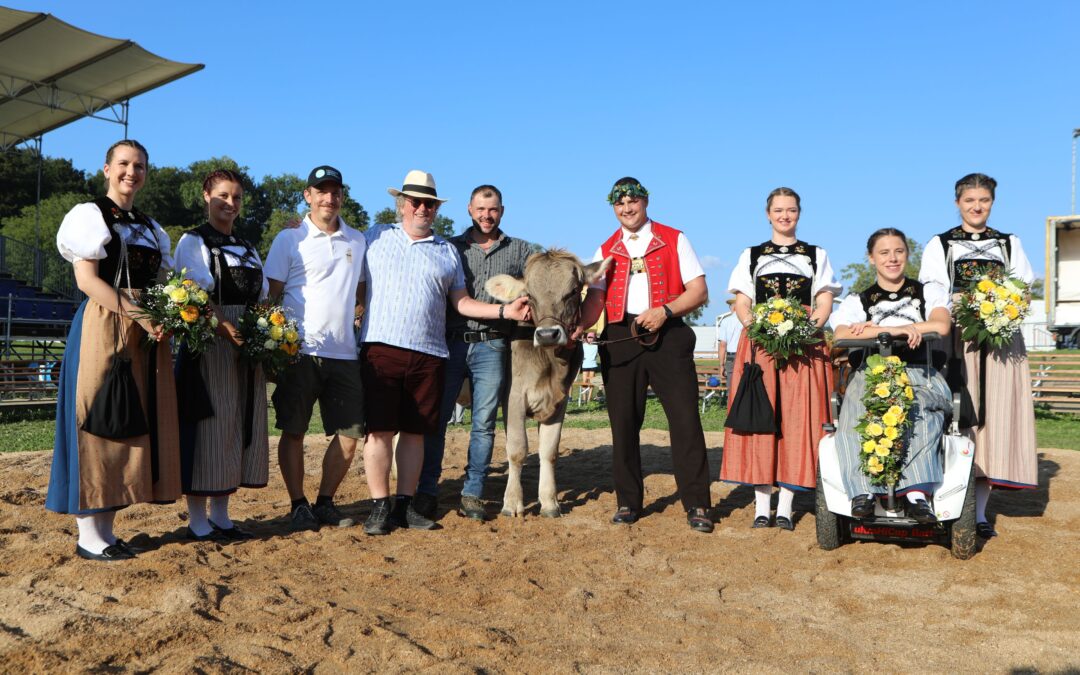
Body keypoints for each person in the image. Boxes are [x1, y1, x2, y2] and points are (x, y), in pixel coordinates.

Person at [359, 170, 529, 535]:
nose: (422, 208)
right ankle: (379, 506)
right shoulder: (374, 236)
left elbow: (463, 302)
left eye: (429, 203)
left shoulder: (447, 251)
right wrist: (304, 225)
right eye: (416, 201)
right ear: (401, 204)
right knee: (380, 432)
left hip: (430, 352)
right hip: (381, 348)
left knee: (418, 432)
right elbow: (340, 257)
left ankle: (407, 505)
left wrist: (505, 311)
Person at [45, 139, 180, 561]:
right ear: (106, 169)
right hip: (104, 325)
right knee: (99, 417)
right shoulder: (89, 215)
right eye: (123, 164)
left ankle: (106, 530)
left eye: (139, 166)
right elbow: (87, 280)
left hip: (142, 331)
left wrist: (167, 315)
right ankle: (88, 533)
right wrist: (139, 314)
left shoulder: (150, 226)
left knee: (127, 422)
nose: (131, 172)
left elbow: (160, 281)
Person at [576, 176, 714, 533]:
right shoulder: (605, 249)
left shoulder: (674, 238)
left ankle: (697, 503)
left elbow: (698, 291)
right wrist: (580, 326)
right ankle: (627, 501)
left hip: (667, 332)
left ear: (645, 201)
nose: (627, 208)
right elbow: (595, 299)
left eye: (632, 201)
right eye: (620, 203)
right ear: (613, 208)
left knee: (685, 421)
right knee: (623, 423)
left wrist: (665, 311)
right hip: (621, 336)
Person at [919, 173, 1037, 538]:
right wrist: (963, 310)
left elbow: (1023, 286)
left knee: (995, 418)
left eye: (983, 200)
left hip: (1001, 340)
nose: (976, 206)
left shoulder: (1008, 242)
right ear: (958, 203)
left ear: (992, 203)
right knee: (957, 412)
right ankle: (945, 500)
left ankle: (980, 513)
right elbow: (934, 291)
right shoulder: (941, 244)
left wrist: (1002, 307)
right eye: (970, 200)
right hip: (958, 336)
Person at [720, 187, 840, 530]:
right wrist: (754, 327)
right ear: (768, 214)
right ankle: (761, 505)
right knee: (761, 415)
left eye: (791, 210)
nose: (785, 216)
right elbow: (743, 300)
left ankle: (786, 505)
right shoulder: (752, 254)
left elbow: (824, 303)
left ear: (799, 213)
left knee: (798, 419)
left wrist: (805, 330)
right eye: (778, 210)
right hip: (760, 343)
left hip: (803, 345)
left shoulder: (816, 254)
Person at [416, 184, 533, 521]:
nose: (487, 215)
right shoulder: (449, 247)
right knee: (436, 421)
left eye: (493, 209)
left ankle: (473, 492)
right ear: (469, 209)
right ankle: (427, 490)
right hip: (451, 342)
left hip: (494, 344)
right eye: (481, 209)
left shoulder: (522, 251)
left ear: (502, 211)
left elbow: (540, 282)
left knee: (483, 425)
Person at [263, 165, 367, 532]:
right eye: (321, 190)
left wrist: (358, 311)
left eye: (335, 191)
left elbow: (362, 290)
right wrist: (271, 349)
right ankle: (297, 504)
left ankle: (324, 502)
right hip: (298, 352)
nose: (329, 197)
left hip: (345, 354)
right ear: (308, 195)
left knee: (352, 434)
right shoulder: (288, 239)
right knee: (294, 431)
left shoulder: (358, 240)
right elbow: (269, 297)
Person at [173, 169, 269, 540]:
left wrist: (265, 333)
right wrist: (225, 327)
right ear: (206, 196)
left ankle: (223, 515)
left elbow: (260, 299)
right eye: (223, 196)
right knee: (208, 424)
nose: (231, 204)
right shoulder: (193, 241)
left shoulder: (247, 247)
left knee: (236, 421)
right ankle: (197, 518)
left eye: (237, 198)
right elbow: (194, 295)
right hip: (210, 339)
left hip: (245, 342)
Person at [832, 228, 953, 522]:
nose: (892, 258)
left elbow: (941, 325)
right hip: (872, 371)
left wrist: (871, 329)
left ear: (907, 255)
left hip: (919, 369)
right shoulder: (858, 300)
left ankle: (916, 493)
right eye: (884, 253)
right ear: (872, 258)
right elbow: (840, 335)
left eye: (898, 251)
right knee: (856, 410)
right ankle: (862, 491)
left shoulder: (928, 291)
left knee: (923, 408)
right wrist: (900, 330)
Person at [716, 298, 741, 390]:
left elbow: (723, 345)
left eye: (730, 306)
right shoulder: (748, 320)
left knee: (731, 387)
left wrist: (721, 365)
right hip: (745, 356)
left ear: (734, 307)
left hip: (731, 357)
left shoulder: (726, 321)